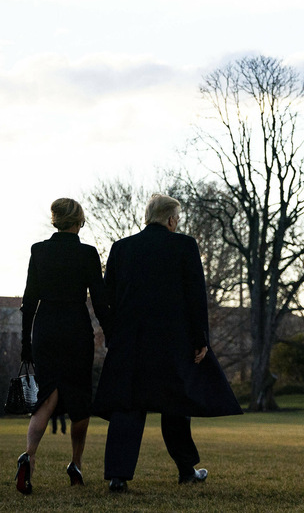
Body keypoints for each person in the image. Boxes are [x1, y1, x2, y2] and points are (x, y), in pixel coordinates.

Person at [93, 194, 242, 492]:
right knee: (176, 403)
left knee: (128, 405)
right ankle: (186, 470)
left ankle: (118, 477)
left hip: (130, 341)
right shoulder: (184, 245)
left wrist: (113, 333)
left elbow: (105, 296)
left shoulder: (121, 248)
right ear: (172, 219)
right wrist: (201, 339)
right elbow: (196, 296)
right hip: (173, 341)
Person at [15, 198, 112, 495]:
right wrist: (110, 332)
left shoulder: (39, 251)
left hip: (45, 328)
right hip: (75, 329)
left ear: (55, 220)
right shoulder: (87, 253)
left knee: (48, 396)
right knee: (80, 399)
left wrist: (25, 341)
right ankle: (76, 463)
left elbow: (29, 299)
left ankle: (29, 456)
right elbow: (98, 299)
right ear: (78, 221)